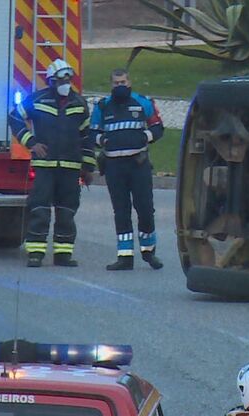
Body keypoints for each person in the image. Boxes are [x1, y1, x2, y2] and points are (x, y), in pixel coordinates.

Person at [8, 59, 95, 268]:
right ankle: (36, 253)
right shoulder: (38, 100)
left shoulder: (79, 104)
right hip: (45, 166)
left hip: (71, 167)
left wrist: (88, 166)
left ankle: (63, 254)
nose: (65, 83)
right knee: (40, 209)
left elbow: (86, 137)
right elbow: (15, 117)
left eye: (68, 78)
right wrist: (32, 143)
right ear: (51, 81)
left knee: (67, 211)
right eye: (61, 79)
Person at [90, 68, 165, 270]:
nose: (120, 86)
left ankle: (149, 252)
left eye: (123, 82)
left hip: (138, 165)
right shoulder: (103, 106)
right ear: (111, 85)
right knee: (121, 211)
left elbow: (158, 128)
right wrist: (102, 140)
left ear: (129, 82)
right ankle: (125, 256)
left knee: (145, 209)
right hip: (114, 166)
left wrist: (145, 137)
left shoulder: (142, 102)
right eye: (116, 83)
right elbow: (91, 133)